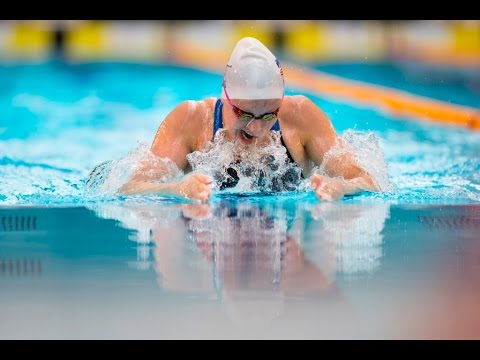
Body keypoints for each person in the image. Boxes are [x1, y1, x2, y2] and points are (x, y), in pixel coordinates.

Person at [119, 36, 380, 202]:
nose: (256, 128)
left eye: (269, 115)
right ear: (225, 97)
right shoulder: (192, 119)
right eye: (243, 114)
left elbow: (369, 181)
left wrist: (340, 187)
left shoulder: (301, 115)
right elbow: (130, 187)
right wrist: (175, 190)